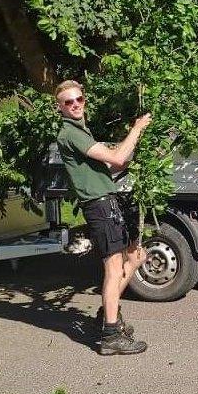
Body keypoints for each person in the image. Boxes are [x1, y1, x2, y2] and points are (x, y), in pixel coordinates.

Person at [54, 80, 152, 356]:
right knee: (113, 269)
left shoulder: (81, 131)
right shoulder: (71, 133)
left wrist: (136, 145)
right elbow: (117, 159)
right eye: (68, 102)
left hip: (108, 202)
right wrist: (136, 128)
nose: (75, 105)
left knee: (136, 256)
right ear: (59, 107)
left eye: (78, 99)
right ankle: (111, 335)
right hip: (99, 206)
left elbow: (112, 161)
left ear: (84, 100)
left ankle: (106, 313)